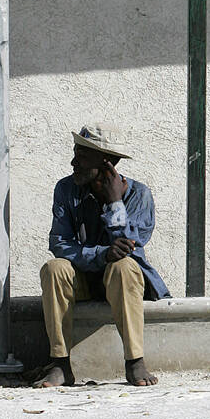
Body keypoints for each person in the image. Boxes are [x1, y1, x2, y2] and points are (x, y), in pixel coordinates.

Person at [35, 125, 170, 388]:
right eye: (75, 153)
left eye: (82, 157)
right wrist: (101, 254)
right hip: (82, 279)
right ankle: (60, 364)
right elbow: (60, 242)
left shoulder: (139, 195)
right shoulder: (65, 189)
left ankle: (135, 362)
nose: (74, 162)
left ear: (107, 162)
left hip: (120, 283)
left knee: (124, 266)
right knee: (54, 268)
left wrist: (114, 202)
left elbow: (131, 244)